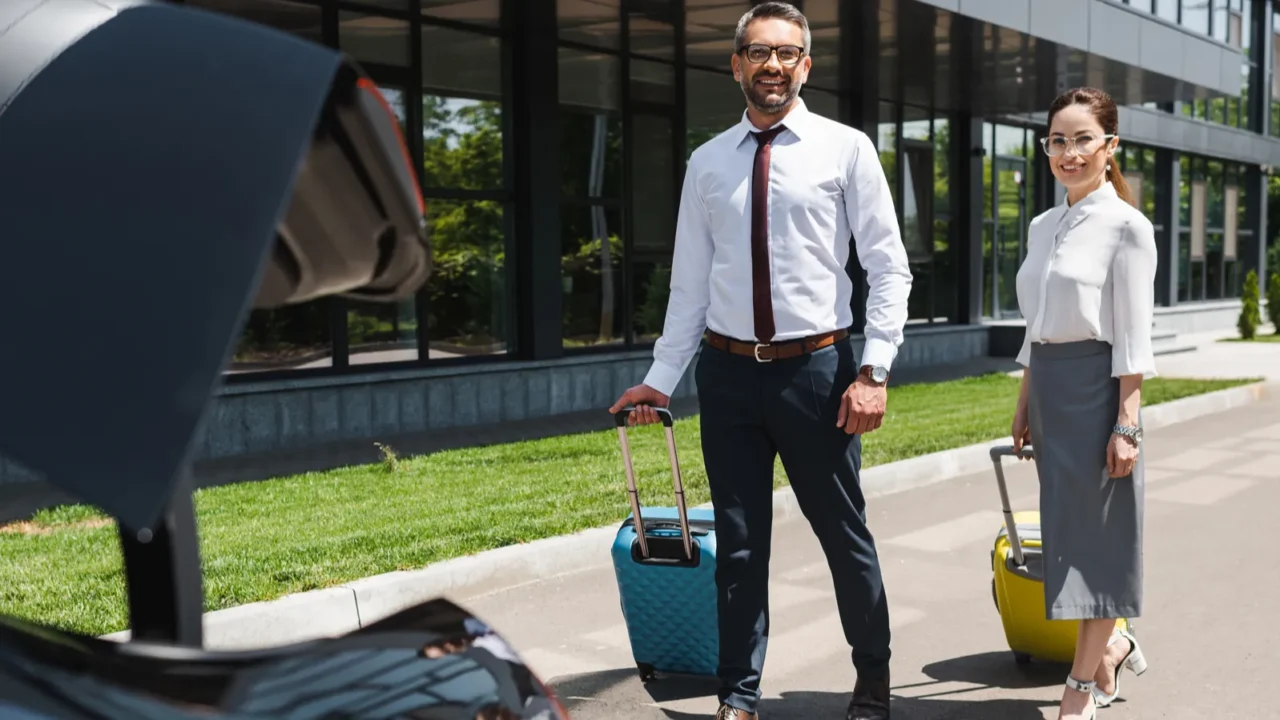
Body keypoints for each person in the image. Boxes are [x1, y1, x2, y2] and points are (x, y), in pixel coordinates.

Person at [608, 3, 912, 719]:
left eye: (787, 53)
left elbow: (888, 268)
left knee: (845, 537)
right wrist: (660, 377)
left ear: (806, 65)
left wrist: (875, 369)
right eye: (758, 52)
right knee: (739, 547)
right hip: (729, 376)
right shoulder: (707, 162)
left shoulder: (846, 149)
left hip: (819, 375)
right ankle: (737, 696)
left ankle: (872, 680)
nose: (772, 65)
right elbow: (690, 285)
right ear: (736, 64)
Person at [1010, 86, 1155, 720]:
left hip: (1099, 390)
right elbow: (1035, 323)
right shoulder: (1044, 225)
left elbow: (1133, 335)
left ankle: (1081, 690)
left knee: (1098, 542)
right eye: (1058, 141)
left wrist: (1128, 424)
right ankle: (1113, 645)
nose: (1069, 153)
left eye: (1083, 140)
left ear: (1109, 146)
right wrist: (1024, 400)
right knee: (1068, 537)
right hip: (1048, 388)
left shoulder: (1127, 225)